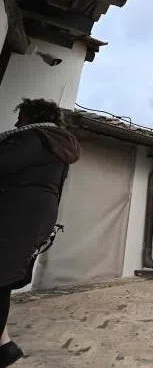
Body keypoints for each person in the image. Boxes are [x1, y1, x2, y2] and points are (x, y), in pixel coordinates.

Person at [0, 99, 80, 367]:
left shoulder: (33, 139)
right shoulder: (58, 145)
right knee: (4, 280)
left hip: (13, 214)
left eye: (20, 116)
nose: (16, 122)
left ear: (31, 117)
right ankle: (4, 345)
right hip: (35, 217)